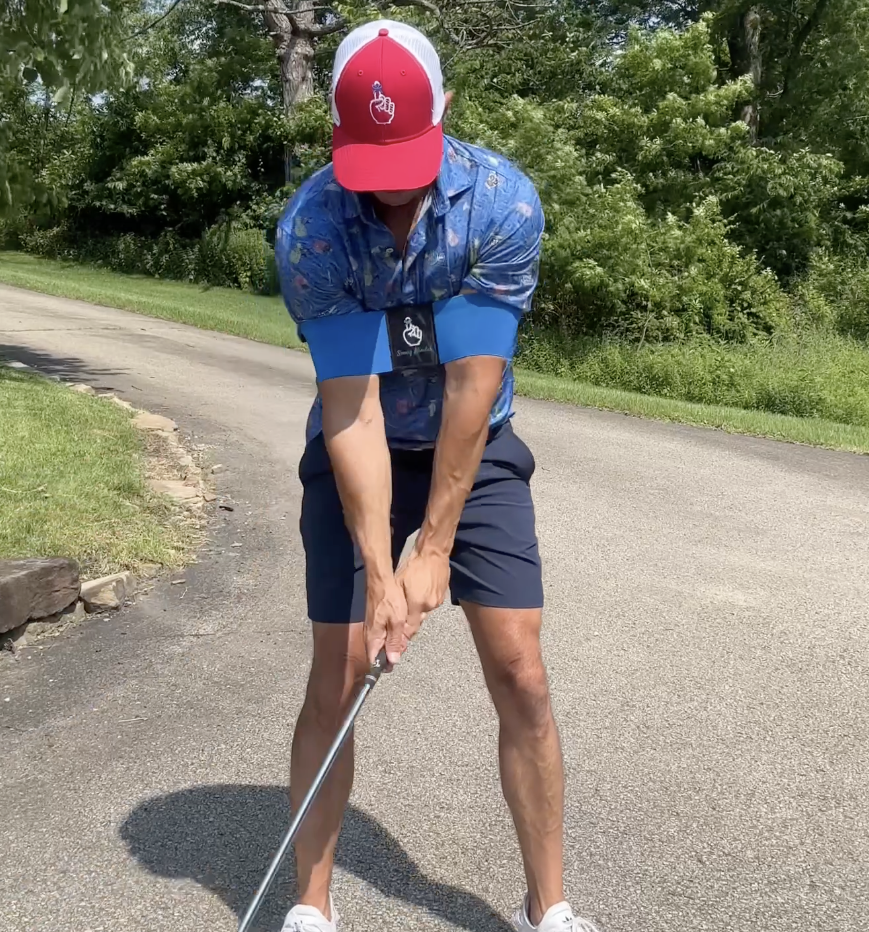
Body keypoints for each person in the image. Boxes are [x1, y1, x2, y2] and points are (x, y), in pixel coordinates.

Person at [274, 18, 601, 932]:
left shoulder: (503, 203)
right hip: (365, 445)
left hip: (474, 446)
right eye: (372, 171)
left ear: (445, 113)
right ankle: (311, 907)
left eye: (408, 164)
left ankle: (551, 906)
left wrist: (436, 550)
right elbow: (353, 409)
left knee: (521, 670)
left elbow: (471, 386)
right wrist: (385, 572)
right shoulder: (311, 230)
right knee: (337, 675)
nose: (394, 198)